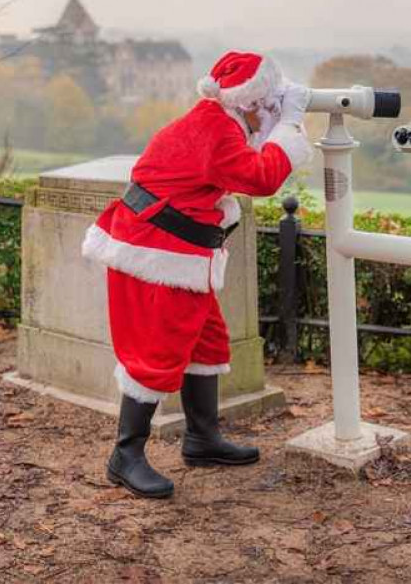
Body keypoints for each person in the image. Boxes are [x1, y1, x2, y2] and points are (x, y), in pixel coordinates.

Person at [81, 51, 313, 498]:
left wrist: (281, 121)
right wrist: (291, 126)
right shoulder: (216, 130)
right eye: (267, 102)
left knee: (208, 341)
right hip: (156, 253)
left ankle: (202, 439)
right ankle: (125, 457)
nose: (268, 111)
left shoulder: (216, 118)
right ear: (249, 100)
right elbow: (262, 178)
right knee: (157, 352)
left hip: (175, 251)